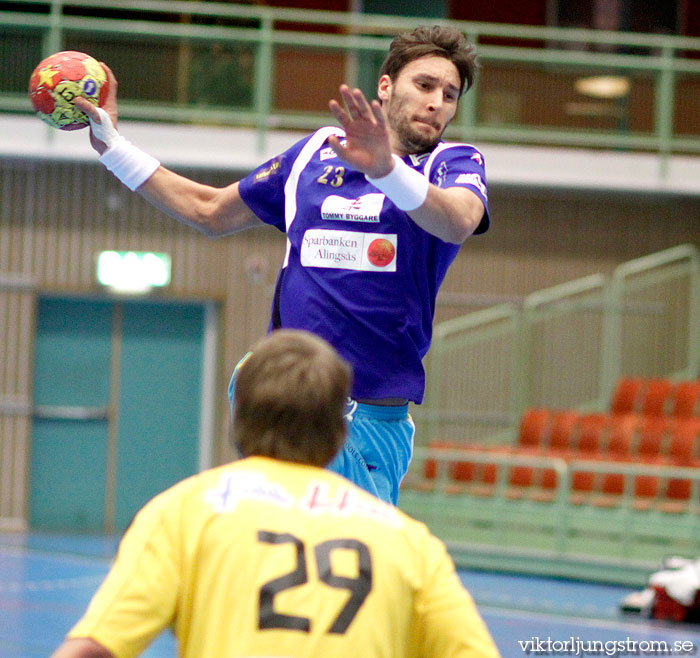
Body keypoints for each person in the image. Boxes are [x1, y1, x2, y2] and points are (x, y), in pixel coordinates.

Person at [75, 25, 490, 505]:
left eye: (450, 94)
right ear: (385, 85)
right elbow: (210, 211)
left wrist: (385, 170)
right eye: (425, 85)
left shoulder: (453, 162)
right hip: (284, 397)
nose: (438, 101)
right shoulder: (316, 152)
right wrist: (113, 150)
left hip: (370, 420)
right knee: (266, 550)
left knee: (351, 568)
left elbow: (457, 221)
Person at [49, 329, 501, 658]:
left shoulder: (183, 513)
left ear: (237, 418)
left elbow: (92, 649)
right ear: (340, 431)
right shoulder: (409, 544)